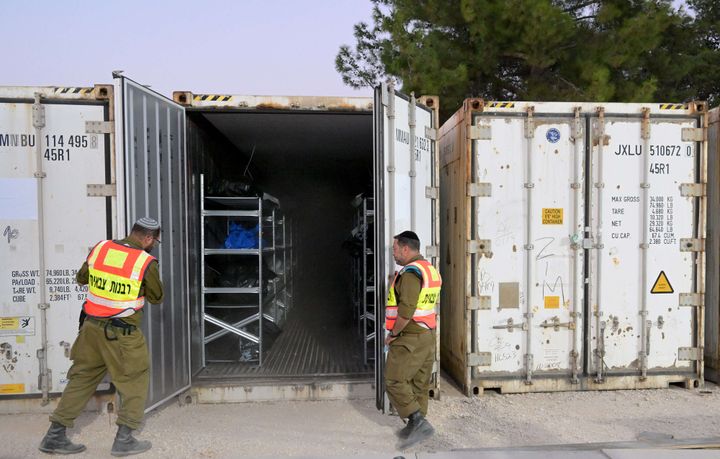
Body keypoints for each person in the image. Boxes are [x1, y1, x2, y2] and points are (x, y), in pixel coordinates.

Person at [39, 217, 164, 457]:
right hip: (123, 334)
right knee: (135, 379)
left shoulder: (102, 248)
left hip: (91, 330)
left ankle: (54, 436)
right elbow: (157, 297)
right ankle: (124, 439)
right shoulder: (145, 262)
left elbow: (81, 278)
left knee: (82, 378)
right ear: (148, 238)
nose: (154, 245)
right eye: (155, 241)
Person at [384, 230, 442, 449]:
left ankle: (418, 421)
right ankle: (415, 425)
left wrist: (393, 334)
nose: (393, 253)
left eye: (395, 249)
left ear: (406, 248)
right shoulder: (429, 269)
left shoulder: (410, 273)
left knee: (394, 379)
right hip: (427, 334)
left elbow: (406, 311)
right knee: (418, 382)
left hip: (409, 335)